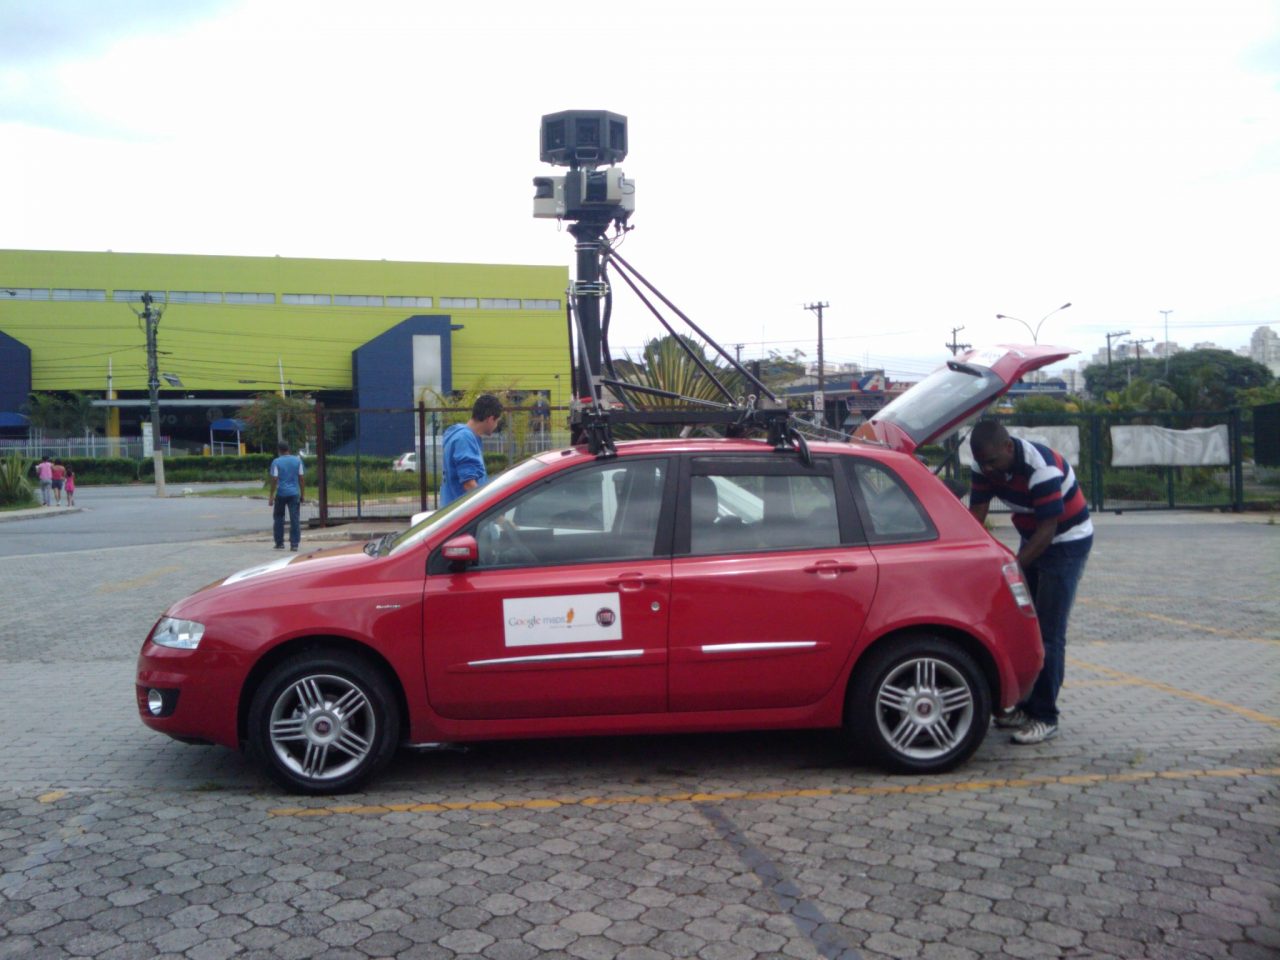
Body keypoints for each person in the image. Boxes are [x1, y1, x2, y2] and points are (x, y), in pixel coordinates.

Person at [968, 420, 1093, 745]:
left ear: (1008, 447)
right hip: (1033, 538)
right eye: (983, 463)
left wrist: (1010, 569)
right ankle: (1022, 707)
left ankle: (1045, 716)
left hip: (1066, 542)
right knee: (1023, 626)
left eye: (993, 461)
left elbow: (1048, 530)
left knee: (1049, 635)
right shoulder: (984, 465)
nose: (988, 469)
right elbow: (976, 516)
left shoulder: (1043, 468)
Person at [441, 394, 503, 506]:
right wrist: (491, 509)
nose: (496, 425)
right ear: (490, 419)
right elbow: (469, 483)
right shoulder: (465, 439)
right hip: (462, 514)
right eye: (497, 421)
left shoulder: (459, 433)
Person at [268, 441, 306, 551]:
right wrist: (302, 494)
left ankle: (279, 542)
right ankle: (294, 544)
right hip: (294, 494)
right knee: (295, 518)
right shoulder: (298, 460)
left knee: (279, 517)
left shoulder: (276, 462)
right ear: (288, 449)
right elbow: (301, 478)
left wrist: (271, 495)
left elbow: (275, 479)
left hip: (281, 493)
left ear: (279, 450)